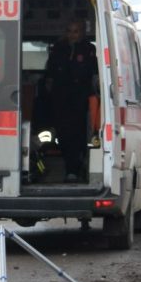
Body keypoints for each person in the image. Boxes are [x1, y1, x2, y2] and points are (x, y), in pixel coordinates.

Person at [44, 18, 97, 181]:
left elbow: (93, 75)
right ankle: (70, 166)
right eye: (69, 31)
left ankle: (75, 167)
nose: (72, 35)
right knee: (63, 134)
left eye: (76, 31)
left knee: (79, 134)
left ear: (82, 32)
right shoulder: (58, 49)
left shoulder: (89, 49)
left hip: (81, 99)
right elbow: (50, 74)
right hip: (61, 98)